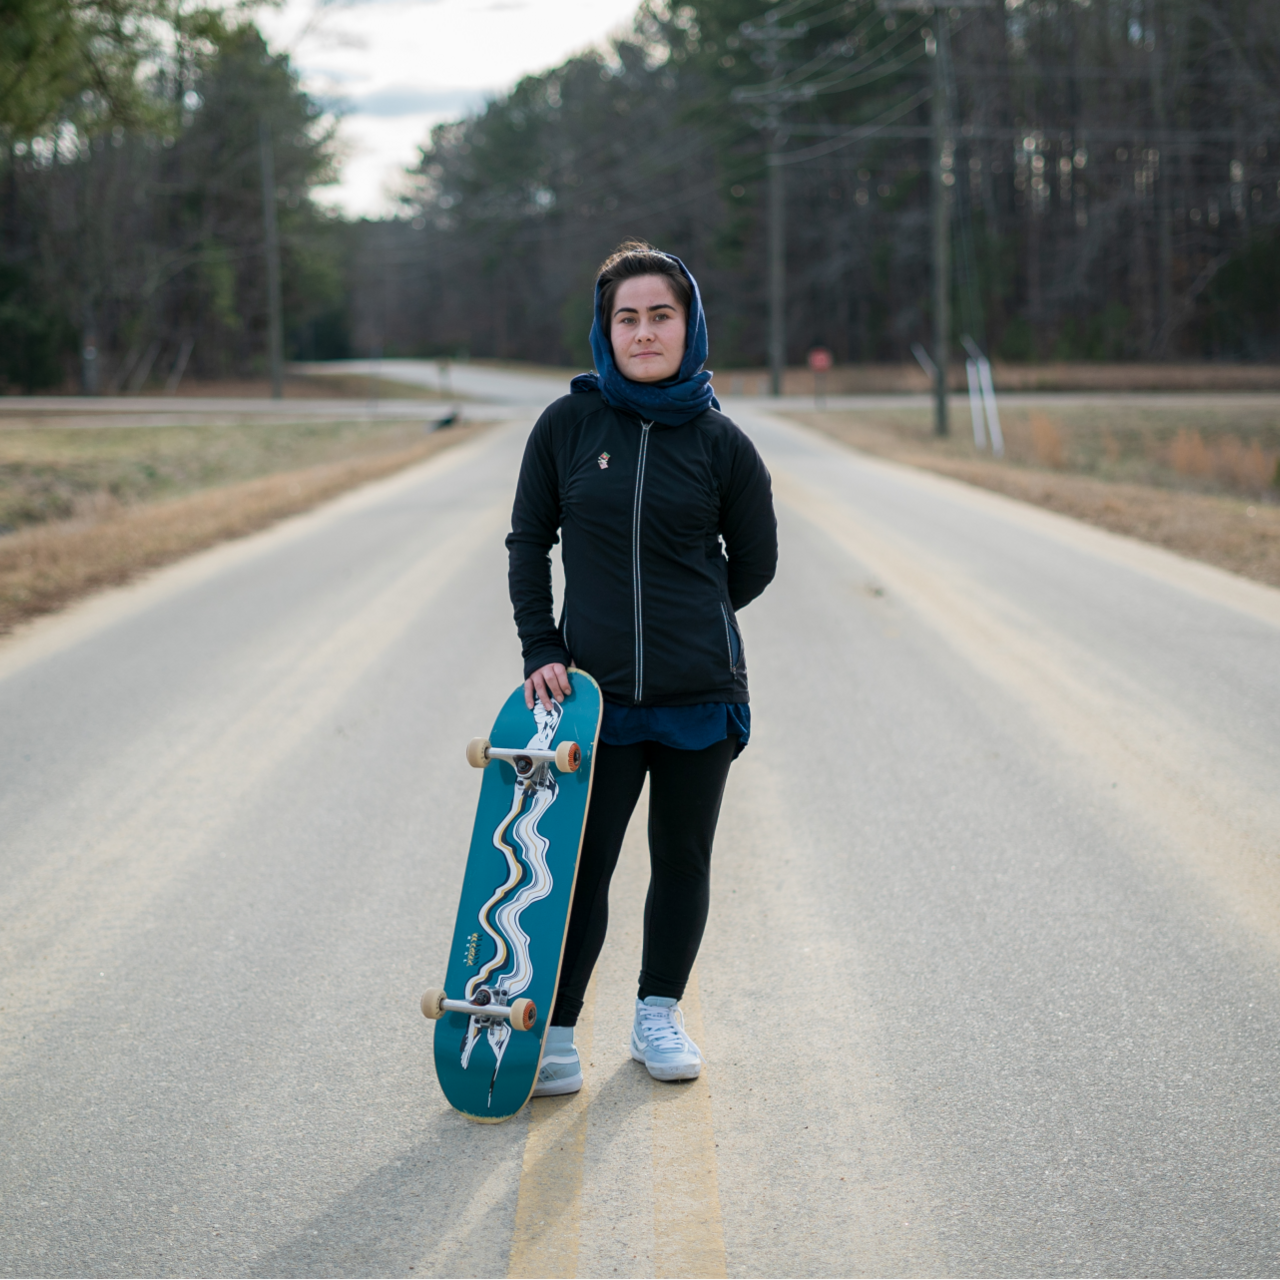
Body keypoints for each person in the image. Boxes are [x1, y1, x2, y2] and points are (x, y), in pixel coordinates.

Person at [506, 240, 777, 1095]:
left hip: (700, 697)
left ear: (688, 325)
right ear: (606, 329)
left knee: (683, 860)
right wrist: (544, 648)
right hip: (596, 703)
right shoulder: (567, 427)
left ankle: (658, 1013)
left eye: (663, 315)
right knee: (582, 865)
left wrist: (689, 619)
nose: (646, 331)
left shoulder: (721, 443)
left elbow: (756, 565)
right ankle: (555, 1026)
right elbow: (528, 543)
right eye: (629, 317)